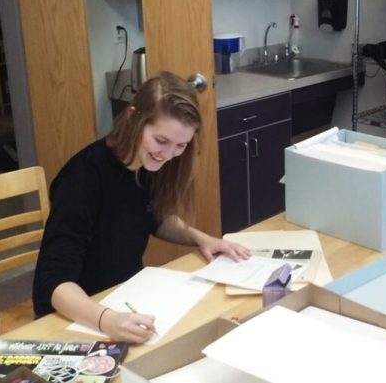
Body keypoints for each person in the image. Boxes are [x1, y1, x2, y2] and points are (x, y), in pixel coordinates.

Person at [32, 71, 250, 344]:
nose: (168, 155)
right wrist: (106, 320)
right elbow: (53, 282)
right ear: (133, 117)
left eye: (180, 145)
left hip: (125, 295)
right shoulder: (82, 179)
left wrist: (201, 238)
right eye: (161, 141)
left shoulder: (147, 163)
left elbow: (153, 217)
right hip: (78, 312)